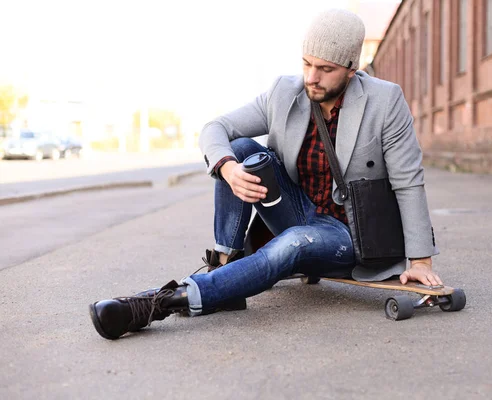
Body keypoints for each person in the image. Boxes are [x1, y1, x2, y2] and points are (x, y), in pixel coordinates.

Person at [89, 9, 442, 340]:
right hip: (298, 210)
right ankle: (223, 262)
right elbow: (217, 127)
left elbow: (408, 181)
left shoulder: (385, 100)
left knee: (290, 244)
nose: (311, 78)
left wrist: (421, 260)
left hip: (348, 235)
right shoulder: (284, 92)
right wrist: (227, 168)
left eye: (325, 68)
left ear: (352, 68)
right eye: (306, 63)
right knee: (241, 149)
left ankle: (159, 303)